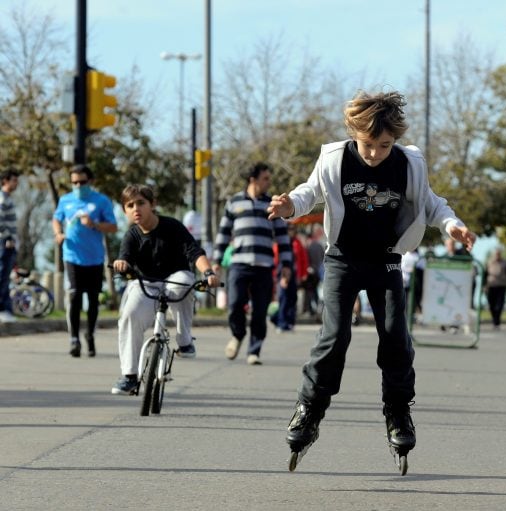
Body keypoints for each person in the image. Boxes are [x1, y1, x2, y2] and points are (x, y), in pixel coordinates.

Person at [267, 90, 477, 462]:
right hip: (343, 258)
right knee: (334, 336)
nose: (375, 154)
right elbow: (309, 191)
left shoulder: (409, 163)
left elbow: (431, 203)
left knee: (396, 334)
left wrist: (452, 225)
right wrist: (289, 207)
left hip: (386, 260)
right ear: (354, 134)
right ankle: (310, 408)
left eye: (384, 145)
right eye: (368, 145)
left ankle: (397, 411)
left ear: (394, 140)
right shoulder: (334, 158)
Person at [110, 184, 219, 395]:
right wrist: (121, 263)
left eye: (141, 203)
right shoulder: (131, 235)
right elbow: (124, 257)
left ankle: (185, 340)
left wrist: (208, 274)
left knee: (185, 285)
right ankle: (130, 376)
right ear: (125, 210)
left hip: (175, 278)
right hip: (146, 281)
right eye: (130, 205)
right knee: (129, 316)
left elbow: (194, 252)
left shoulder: (173, 226)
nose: (136, 209)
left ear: (153, 204)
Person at [212, 162, 293, 365]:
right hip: (239, 263)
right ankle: (237, 335)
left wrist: (286, 264)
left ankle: (254, 350)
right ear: (253, 179)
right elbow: (223, 234)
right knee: (235, 303)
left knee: (260, 309)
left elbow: (282, 237)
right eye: (265, 178)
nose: (269, 182)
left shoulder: (271, 204)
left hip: (264, 265)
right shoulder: (234, 202)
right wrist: (217, 261)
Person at [52, 165, 117, 357]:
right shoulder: (66, 200)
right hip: (71, 256)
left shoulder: (101, 201)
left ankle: (90, 335)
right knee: (74, 296)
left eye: (82, 182)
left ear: (90, 182)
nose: (78, 186)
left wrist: (95, 224)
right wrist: (58, 233)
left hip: (95, 258)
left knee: (93, 300)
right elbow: (56, 218)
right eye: (75, 182)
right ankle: (74, 338)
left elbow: (113, 226)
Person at [0, 169, 19, 324]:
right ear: (5, 181)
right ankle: (3, 309)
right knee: (2, 276)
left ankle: (6, 309)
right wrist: (8, 237)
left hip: (8, 242)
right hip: (5, 242)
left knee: (5, 277)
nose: (16, 183)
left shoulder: (8, 198)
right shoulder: (2, 198)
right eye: (14, 180)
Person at [483, 248, 506, 330]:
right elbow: (485, 275)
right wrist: (483, 285)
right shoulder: (489, 263)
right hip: (491, 286)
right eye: (496, 254)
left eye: (498, 254)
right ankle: (494, 320)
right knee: (491, 305)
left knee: (499, 305)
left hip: (501, 286)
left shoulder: (505, 263)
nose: (497, 255)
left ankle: (497, 322)